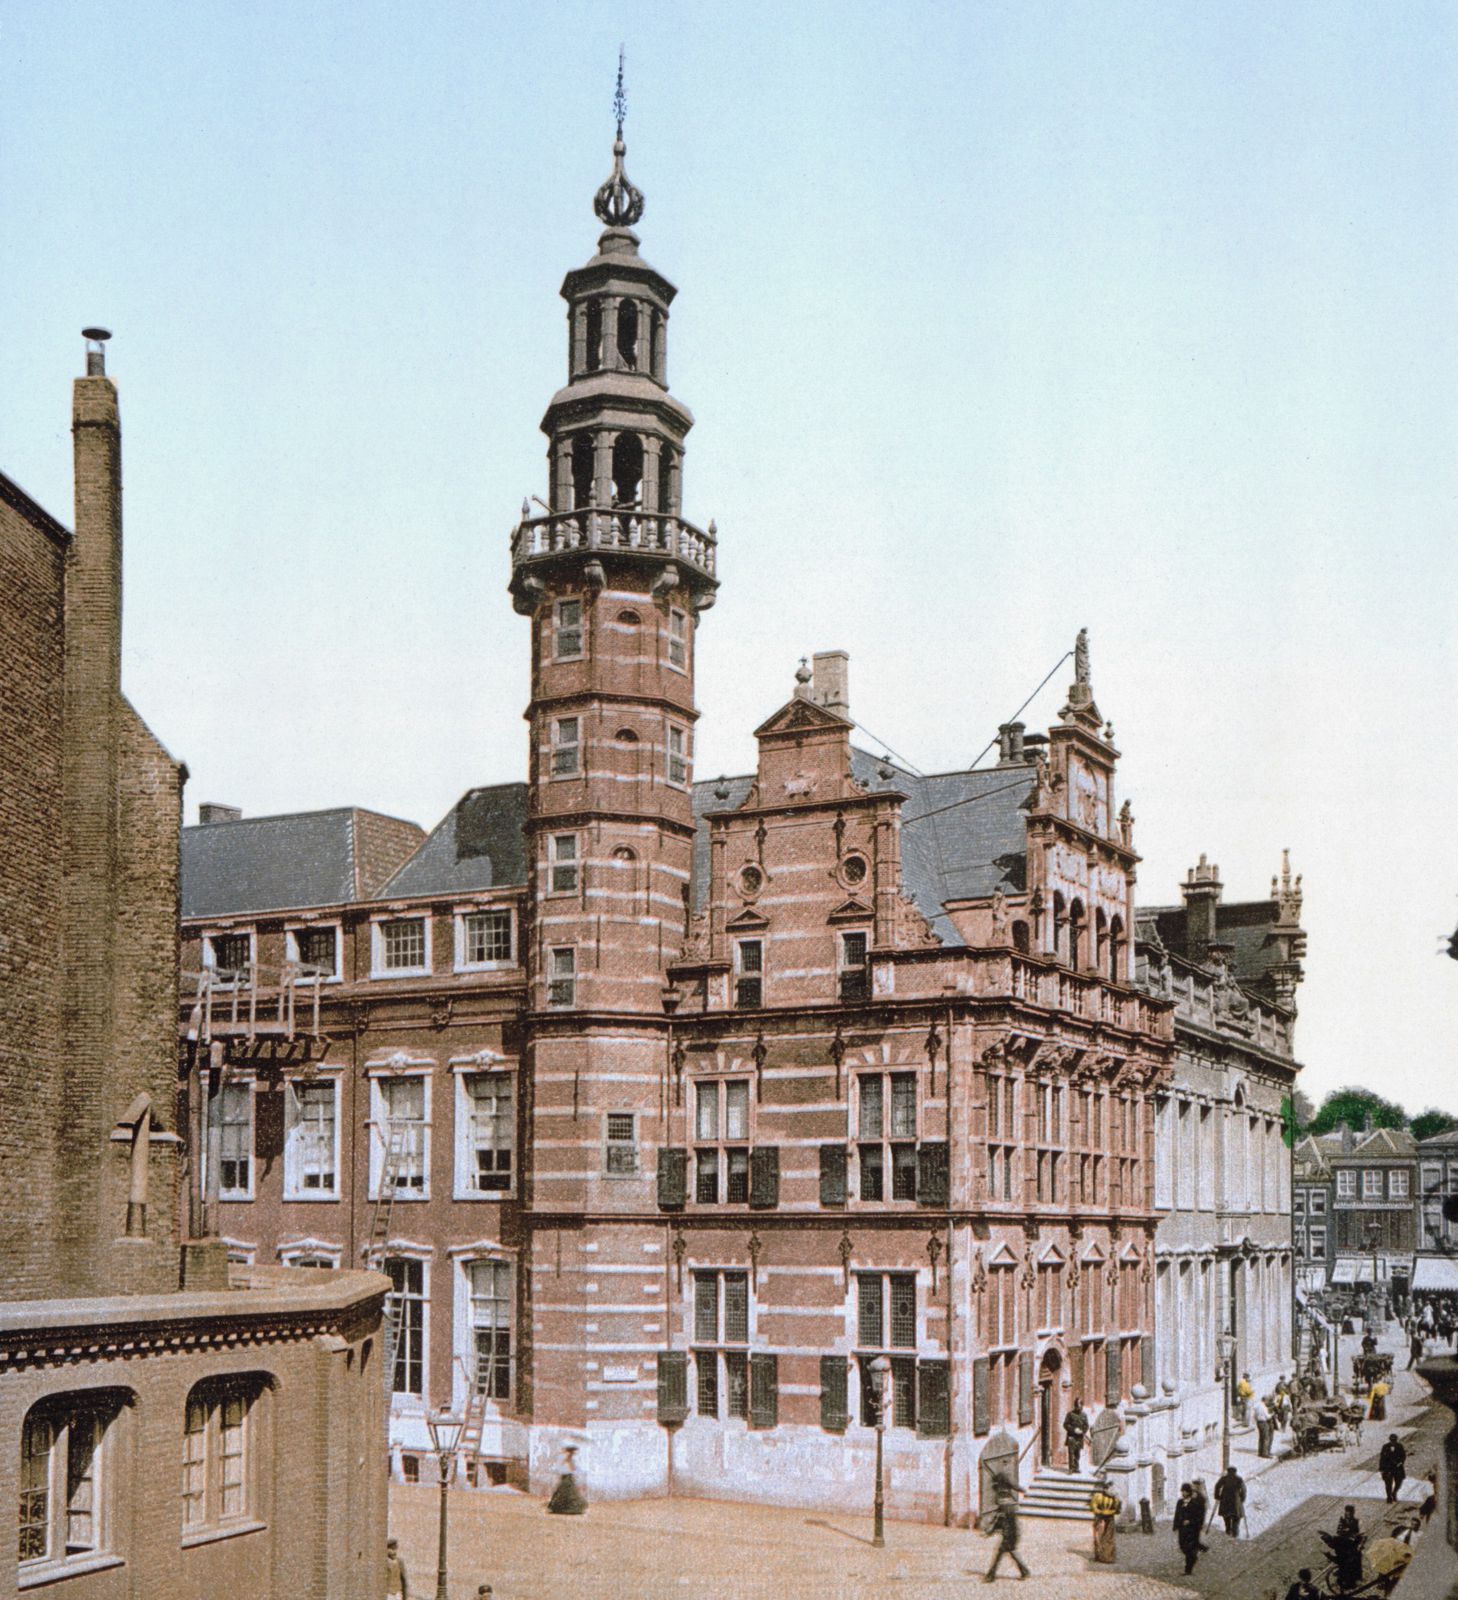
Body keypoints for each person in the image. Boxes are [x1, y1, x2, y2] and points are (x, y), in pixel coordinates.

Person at [983, 1488, 1030, 1582]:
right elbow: (998, 1524)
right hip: (1010, 1536)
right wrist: (990, 1532)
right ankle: (1024, 1571)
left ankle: (991, 1576)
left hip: (1009, 1536)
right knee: (1010, 1554)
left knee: (999, 1556)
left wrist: (990, 1532)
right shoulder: (1006, 1510)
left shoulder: (1006, 1511)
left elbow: (1000, 1524)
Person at [1320, 1506, 1364, 1594]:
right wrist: (1345, 1531)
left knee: (1347, 1555)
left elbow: (1358, 1533)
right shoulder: (1342, 1520)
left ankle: (1348, 1577)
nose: (1348, 1514)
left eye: (1350, 1513)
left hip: (1351, 1543)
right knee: (1339, 1547)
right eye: (1347, 1513)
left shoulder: (1356, 1521)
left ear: (1353, 1513)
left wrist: (1352, 1534)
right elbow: (1339, 1531)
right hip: (1344, 1541)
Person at [1173, 1484, 1203, 1575]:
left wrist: (1190, 1521)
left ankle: (1188, 1569)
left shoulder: (1194, 1503)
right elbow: (1177, 1514)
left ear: (1189, 1492)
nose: (1183, 1493)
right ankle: (1193, 1557)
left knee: (1189, 1548)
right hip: (1182, 1529)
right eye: (1182, 1491)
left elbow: (1199, 1517)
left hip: (1192, 1530)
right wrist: (1175, 1525)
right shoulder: (1180, 1502)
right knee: (1182, 1546)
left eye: (1185, 1491)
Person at [1089, 1477, 1120, 1564]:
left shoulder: (1114, 1498)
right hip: (1100, 1518)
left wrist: (1116, 1501)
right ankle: (1099, 1555)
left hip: (1109, 1519)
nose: (1108, 1489)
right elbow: (1093, 1507)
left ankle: (1108, 1557)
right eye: (1107, 1487)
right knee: (1099, 1537)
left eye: (1110, 1487)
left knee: (1109, 1538)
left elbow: (1117, 1510)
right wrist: (1102, 1512)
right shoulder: (1097, 1496)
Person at [1213, 1466, 1246, 1537]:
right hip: (1235, 1501)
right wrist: (1242, 1498)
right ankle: (1235, 1532)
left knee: (1226, 1516)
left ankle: (1228, 1530)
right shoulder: (1239, 1479)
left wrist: (1217, 1496)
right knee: (1236, 1517)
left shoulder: (1224, 1478)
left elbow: (1217, 1486)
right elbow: (1243, 1490)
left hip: (1225, 1501)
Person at [1064, 1399, 1090, 1474]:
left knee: (1077, 1453)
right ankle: (1071, 1468)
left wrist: (1082, 1431)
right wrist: (1073, 1430)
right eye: (1077, 1406)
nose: (1079, 1408)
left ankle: (1076, 1467)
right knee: (1071, 1452)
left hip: (1079, 1437)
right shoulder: (1070, 1414)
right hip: (1071, 1436)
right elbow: (1065, 1424)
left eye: (1080, 1406)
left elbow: (1086, 1425)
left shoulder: (1084, 1415)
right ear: (1075, 1406)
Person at [1379, 1433, 1407, 1504]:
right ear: (1390, 1440)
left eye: (1394, 1440)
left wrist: (1400, 1462)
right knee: (1388, 1483)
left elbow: (1403, 1456)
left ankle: (1394, 1492)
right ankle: (1389, 1497)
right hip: (1388, 1468)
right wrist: (1381, 1469)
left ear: (1396, 1440)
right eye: (1392, 1440)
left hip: (1397, 1468)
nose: (1393, 1442)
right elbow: (1382, 1458)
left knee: (1399, 1482)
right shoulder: (1385, 1447)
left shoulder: (1399, 1446)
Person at [1252, 1393, 1274, 1458]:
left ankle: (1260, 1452)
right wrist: (1272, 1414)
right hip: (1264, 1422)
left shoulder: (1257, 1406)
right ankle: (1265, 1453)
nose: (1268, 1402)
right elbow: (1267, 1417)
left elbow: (1255, 1415)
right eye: (1267, 1400)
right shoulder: (1263, 1407)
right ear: (1265, 1400)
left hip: (1259, 1422)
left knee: (1261, 1437)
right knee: (1266, 1438)